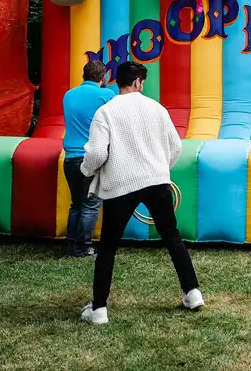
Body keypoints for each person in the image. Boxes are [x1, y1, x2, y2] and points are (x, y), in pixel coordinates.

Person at [78, 62, 202, 324]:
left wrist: (86, 170)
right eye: (142, 82)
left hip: (120, 185)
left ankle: (99, 309)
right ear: (137, 82)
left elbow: (98, 153)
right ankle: (193, 293)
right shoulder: (156, 108)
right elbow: (176, 146)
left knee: (109, 247)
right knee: (172, 237)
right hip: (157, 181)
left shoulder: (106, 111)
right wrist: (159, 170)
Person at [62, 61, 114, 258]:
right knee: (91, 204)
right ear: (103, 78)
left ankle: (71, 245)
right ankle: (83, 247)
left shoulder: (69, 95)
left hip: (70, 157)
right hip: (92, 156)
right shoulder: (107, 95)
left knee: (76, 204)